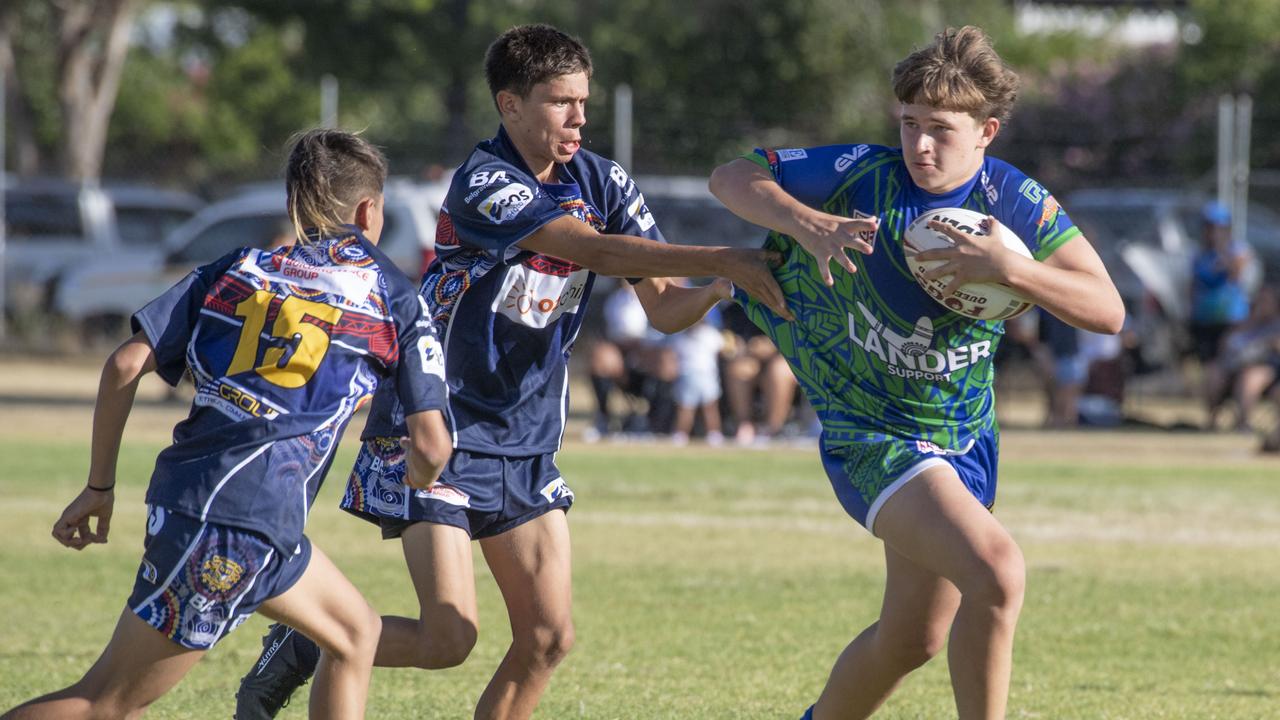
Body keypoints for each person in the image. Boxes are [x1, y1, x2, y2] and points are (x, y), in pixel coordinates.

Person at [234, 23, 790, 720]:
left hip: (525, 440)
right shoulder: (484, 182)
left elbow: (663, 311)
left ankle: (315, 644)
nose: (579, 117)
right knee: (449, 639)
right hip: (436, 430)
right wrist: (723, 255)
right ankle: (312, 643)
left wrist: (719, 290)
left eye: (583, 100)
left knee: (548, 639)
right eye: (561, 102)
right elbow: (595, 252)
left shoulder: (604, 180)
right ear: (511, 106)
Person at [708, 26, 1123, 720]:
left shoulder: (1012, 200)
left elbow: (1107, 310)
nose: (920, 144)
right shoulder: (862, 174)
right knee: (996, 572)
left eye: (941, 129)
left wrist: (1013, 270)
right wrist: (806, 222)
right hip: (872, 436)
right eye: (909, 124)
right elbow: (732, 177)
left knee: (912, 639)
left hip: (964, 438)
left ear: (987, 130)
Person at [1, 129, 452, 720]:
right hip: (239, 522)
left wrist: (99, 487)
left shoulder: (237, 267)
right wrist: (422, 479)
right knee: (104, 702)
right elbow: (432, 443)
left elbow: (124, 364)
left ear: (296, 204)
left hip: (216, 502)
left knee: (353, 635)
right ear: (370, 209)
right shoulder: (391, 294)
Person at [1189, 201, 1253, 369]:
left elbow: (1236, 273)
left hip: (1232, 319)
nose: (1211, 232)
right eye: (1208, 227)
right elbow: (1194, 284)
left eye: (1216, 227)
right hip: (1205, 318)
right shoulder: (1199, 254)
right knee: (1208, 366)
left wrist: (1222, 249)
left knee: (1229, 365)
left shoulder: (1238, 250)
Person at [669, 307, 728, 446]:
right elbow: (672, 356)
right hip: (687, 376)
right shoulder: (680, 336)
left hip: (707, 376)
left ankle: (714, 433)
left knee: (710, 408)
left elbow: (724, 349)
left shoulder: (711, 334)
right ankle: (681, 433)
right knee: (685, 408)